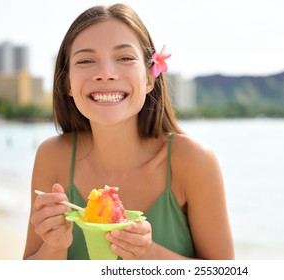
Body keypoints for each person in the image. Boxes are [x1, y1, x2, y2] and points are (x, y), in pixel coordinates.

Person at [23, 3, 234, 260]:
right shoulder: (52, 156)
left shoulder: (194, 161)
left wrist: (150, 254)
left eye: (124, 58)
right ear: (67, 82)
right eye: (86, 60)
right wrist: (54, 245)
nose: (105, 74)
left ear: (149, 78)